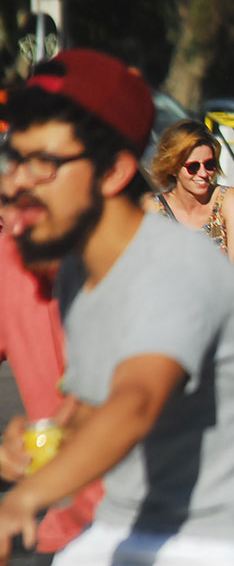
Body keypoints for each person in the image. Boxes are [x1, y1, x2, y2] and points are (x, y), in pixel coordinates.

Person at [0, 49, 234, 564]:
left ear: (112, 172)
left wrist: (25, 499)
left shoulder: (173, 264)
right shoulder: (77, 270)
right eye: (13, 160)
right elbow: (94, 406)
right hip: (126, 526)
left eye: (42, 164)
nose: (14, 183)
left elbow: (137, 403)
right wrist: (38, 441)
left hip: (225, 539)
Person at [0, 226, 102, 564]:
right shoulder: (9, 259)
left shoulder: (149, 254)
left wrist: (30, 495)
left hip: (176, 523)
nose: (15, 221)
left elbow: (139, 402)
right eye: (6, 204)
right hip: (68, 527)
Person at [146, 119, 234, 305]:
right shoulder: (153, 209)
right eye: (193, 167)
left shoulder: (226, 199)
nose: (203, 173)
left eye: (209, 164)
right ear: (173, 168)